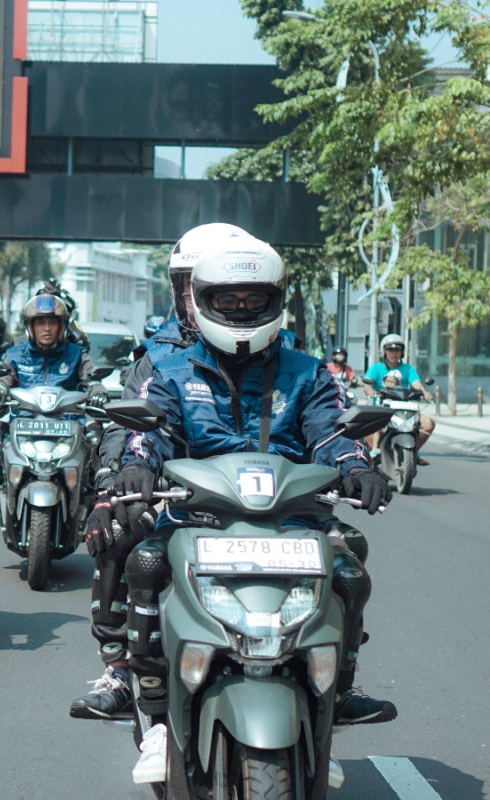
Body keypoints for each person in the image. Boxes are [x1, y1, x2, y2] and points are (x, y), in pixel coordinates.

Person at [97, 236, 396, 781]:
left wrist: (356, 465)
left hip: (294, 515)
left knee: (351, 569)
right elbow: (153, 430)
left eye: (251, 300)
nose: (238, 311)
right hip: (197, 514)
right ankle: (155, 709)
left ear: (275, 301)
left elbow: (330, 433)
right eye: (226, 300)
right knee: (144, 562)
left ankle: (340, 689)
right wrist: (137, 464)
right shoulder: (173, 372)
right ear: (200, 301)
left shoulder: (308, 374)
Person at [70, 221, 253, 721]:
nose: (203, 298)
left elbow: (315, 425)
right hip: (177, 494)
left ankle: (333, 677)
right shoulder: (159, 355)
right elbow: (126, 425)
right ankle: (123, 669)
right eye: (193, 285)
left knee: (343, 550)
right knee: (117, 529)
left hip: (265, 497)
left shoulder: (285, 352)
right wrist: (116, 482)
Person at [0, 293, 108, 513]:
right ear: (30, 327)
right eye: (40, 323)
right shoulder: (15, 354)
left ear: (62, 327)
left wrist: (98, 392)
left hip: (68, 419)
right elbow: (4, 378)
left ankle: (96, 495)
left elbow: (93, 379)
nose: (46, 328)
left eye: (52, 322)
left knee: (97, 437)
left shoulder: (77, 354)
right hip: (25, 418)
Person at [361, 333, 435, 464]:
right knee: (363, 427)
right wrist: (370, 391)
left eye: (398, 350)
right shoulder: (377, 367)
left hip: (404, 409)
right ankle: (374, 451)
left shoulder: (407, 369)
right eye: (390, 350)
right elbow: (367, 384)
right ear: (384, 351)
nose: (394, 353)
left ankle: (413, 451)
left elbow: (416, 383)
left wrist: (424, 391)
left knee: (428, 424)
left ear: (402, 352)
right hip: (382, 409)